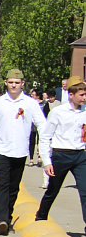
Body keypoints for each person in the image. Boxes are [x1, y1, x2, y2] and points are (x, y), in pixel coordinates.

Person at [0, 68, 46, 235]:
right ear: (6, 83)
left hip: (20, 151)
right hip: (1, 150)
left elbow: (42, 125)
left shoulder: (30, 103)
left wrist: (47, 146)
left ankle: (8, 216)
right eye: (11, 83)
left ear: (22, 84)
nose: (14, 86)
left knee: (14, 187)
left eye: (17, 83)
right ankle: (2, 219)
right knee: (2, 184)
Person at [35, 76, 86, 226]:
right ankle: (41, 217)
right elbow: (45, 137)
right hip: (61, 155)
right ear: (71, 94)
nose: (84, 98)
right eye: (81, 95)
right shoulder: (58, 112)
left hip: (80, 155)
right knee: (53, 190)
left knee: (85, 191)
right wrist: (47, 161)